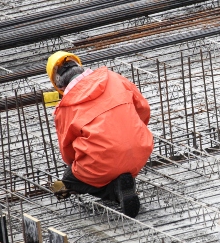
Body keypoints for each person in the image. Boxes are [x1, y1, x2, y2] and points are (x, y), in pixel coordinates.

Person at [46, 51, 153, 218]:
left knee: (70, 179)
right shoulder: (113, 77)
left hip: (101, 163)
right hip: (140, 150)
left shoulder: (65, 108)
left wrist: (77, 168)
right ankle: (122, 180)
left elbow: (68, 153)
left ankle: (115, 191)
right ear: (80, 67)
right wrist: (134, 132)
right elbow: (143, 109)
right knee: (107, 162)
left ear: (60, 87)